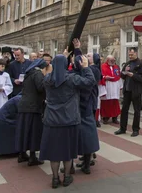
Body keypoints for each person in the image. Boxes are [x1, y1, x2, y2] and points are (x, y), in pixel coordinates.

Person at [40, 52, 94, 189]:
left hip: (52, 120)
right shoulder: (72, 79)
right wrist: (86, 67)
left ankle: (55, 178)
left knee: (54, 152)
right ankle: (67, 177)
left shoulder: (47, 79)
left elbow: (54, 75)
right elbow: (90, 82)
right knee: (67, 151)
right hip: (69, 119)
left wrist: (60, 58)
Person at [70, 41, 100, 175]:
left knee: (86, 134)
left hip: (85, 106)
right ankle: (86, 160)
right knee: (87, 135)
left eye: (88, 56)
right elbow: (79, 64)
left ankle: (86, 162)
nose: (85, 58)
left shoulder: (93, 70)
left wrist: (77, 53)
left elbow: (80, 66)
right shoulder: (86, 70)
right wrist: (77, 50)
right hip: (85, 106)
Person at [16, 56, 47, 166]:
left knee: (24, 131)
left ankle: (22, 153)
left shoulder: (29, 74)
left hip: (24, 105)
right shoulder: (38, 74)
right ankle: (32, 157)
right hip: (33, 107)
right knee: (34, 132)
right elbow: (40, 87)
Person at [115, 48, 142, 137]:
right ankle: (122, 128)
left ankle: (136, 129)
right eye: (129, 55)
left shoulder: (140, 64)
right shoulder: (128, 63)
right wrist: (125, 73)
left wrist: (133, 75)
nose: (130, 56)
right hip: (127, 90)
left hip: (135, 90)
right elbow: (122, 75)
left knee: (136, 110)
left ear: (136, 53)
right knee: (124, 109)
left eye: (132, 54)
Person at [100, 55, 122, 124]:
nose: (113, 62)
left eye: (114, 60)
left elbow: (119, 77)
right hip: (107, 86)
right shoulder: (102, 66)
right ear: (107, 60)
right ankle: (105, 117)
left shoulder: (116, 67)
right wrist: (105, 77)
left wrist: (120, 87)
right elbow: (100, 76)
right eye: (111, 60)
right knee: (106, 102)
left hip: (115, 87)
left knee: (115, 102)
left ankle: (115, 117)